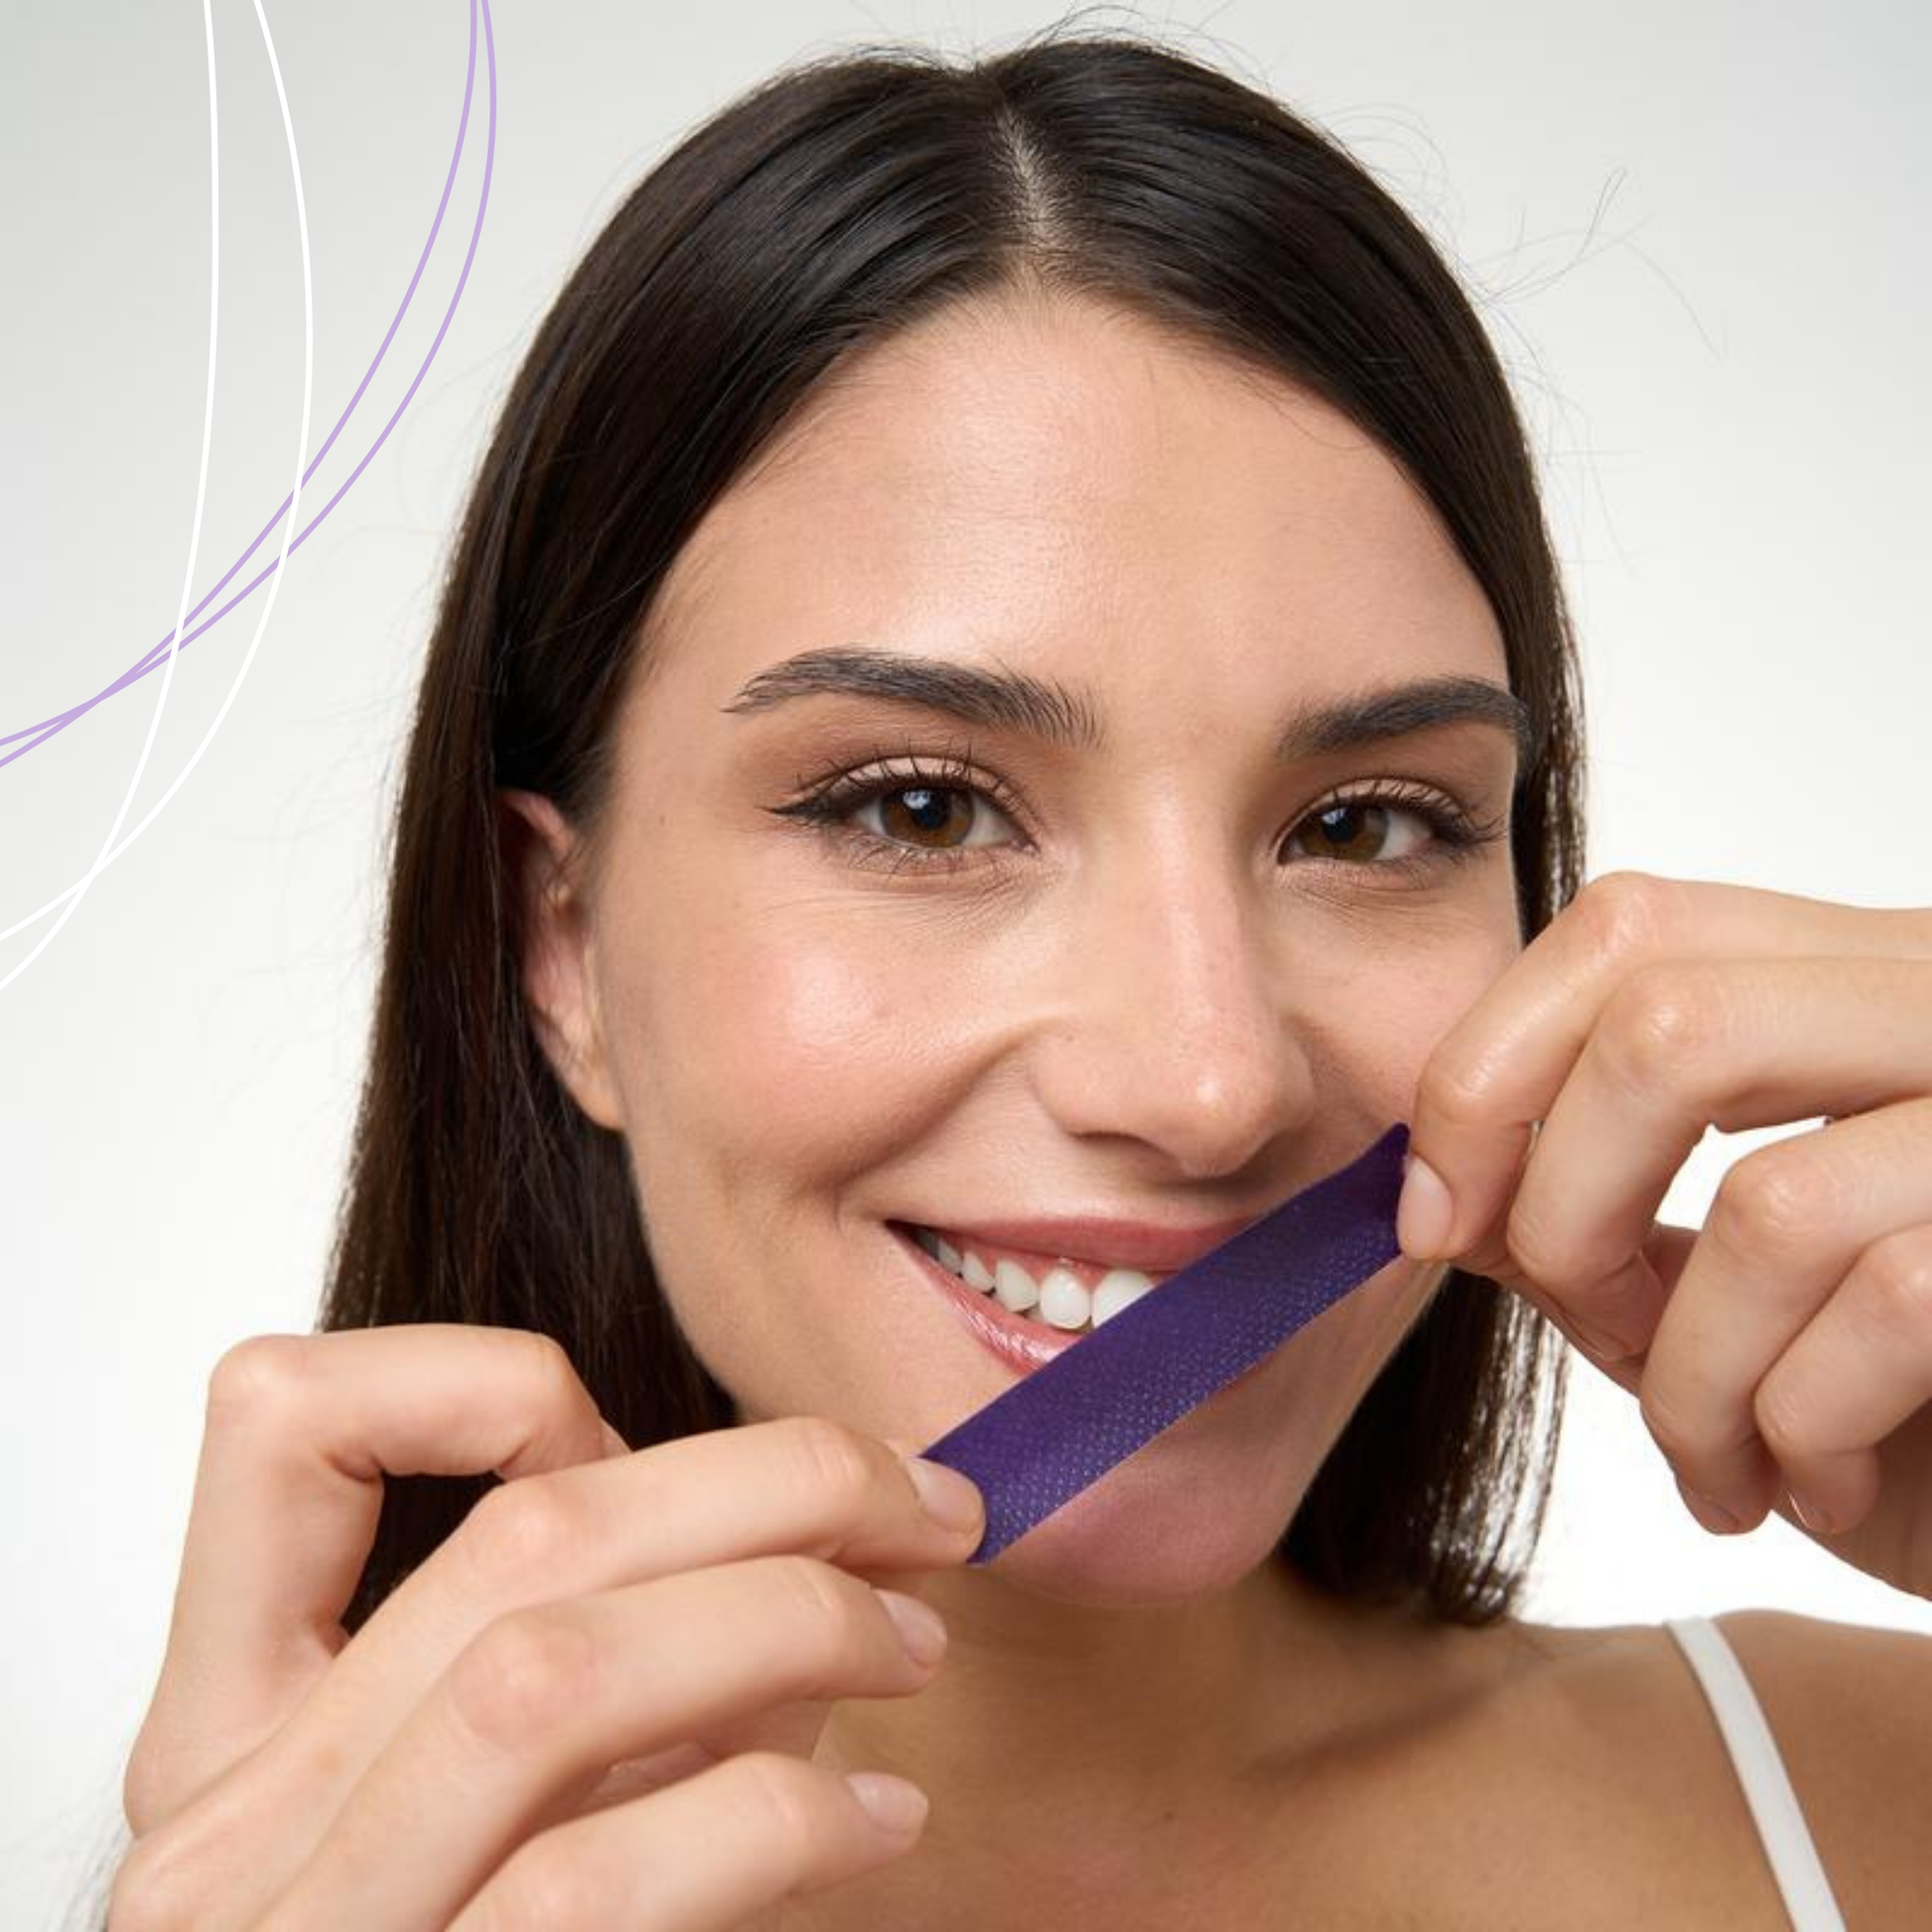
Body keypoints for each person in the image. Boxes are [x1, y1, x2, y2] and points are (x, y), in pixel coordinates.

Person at [103, 25, 1931, 1930]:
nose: (1207, 1081)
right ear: (554, 948)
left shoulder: (1875, 1806)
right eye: (920, 808)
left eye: (1365, 824)